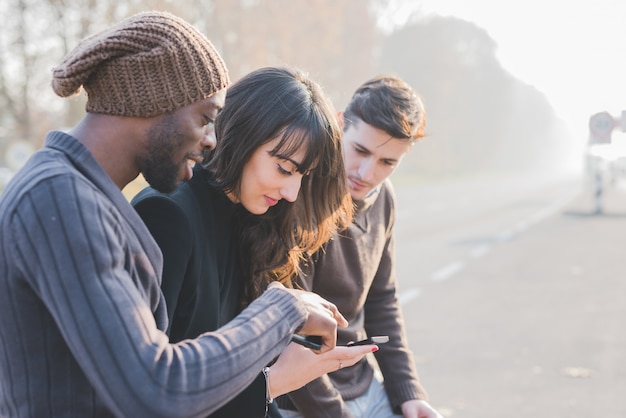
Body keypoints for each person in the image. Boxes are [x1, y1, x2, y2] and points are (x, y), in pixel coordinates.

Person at [0, 12, 354, 418]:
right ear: (153, 102)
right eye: (205, 119)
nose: (211, 140)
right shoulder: (60, 198)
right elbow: (155, 389)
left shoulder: (83, 196)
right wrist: (282, 310)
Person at [131, 66, 378, 418]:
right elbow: (149, 389)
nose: (292, 193)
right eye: (283, 168)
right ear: (242, 136)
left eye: (302, 175)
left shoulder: (250, 220)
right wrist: (273, 381)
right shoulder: (167, 215)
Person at [277, 76, 445, 418]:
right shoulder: (297, 193)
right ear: (341, 124)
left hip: (366, 386)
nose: (367, 173)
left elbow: (382, 299)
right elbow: (295, 335)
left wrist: (407, 391)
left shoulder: (384, 198)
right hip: (302, 399)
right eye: (361, 151)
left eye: (388, 162)